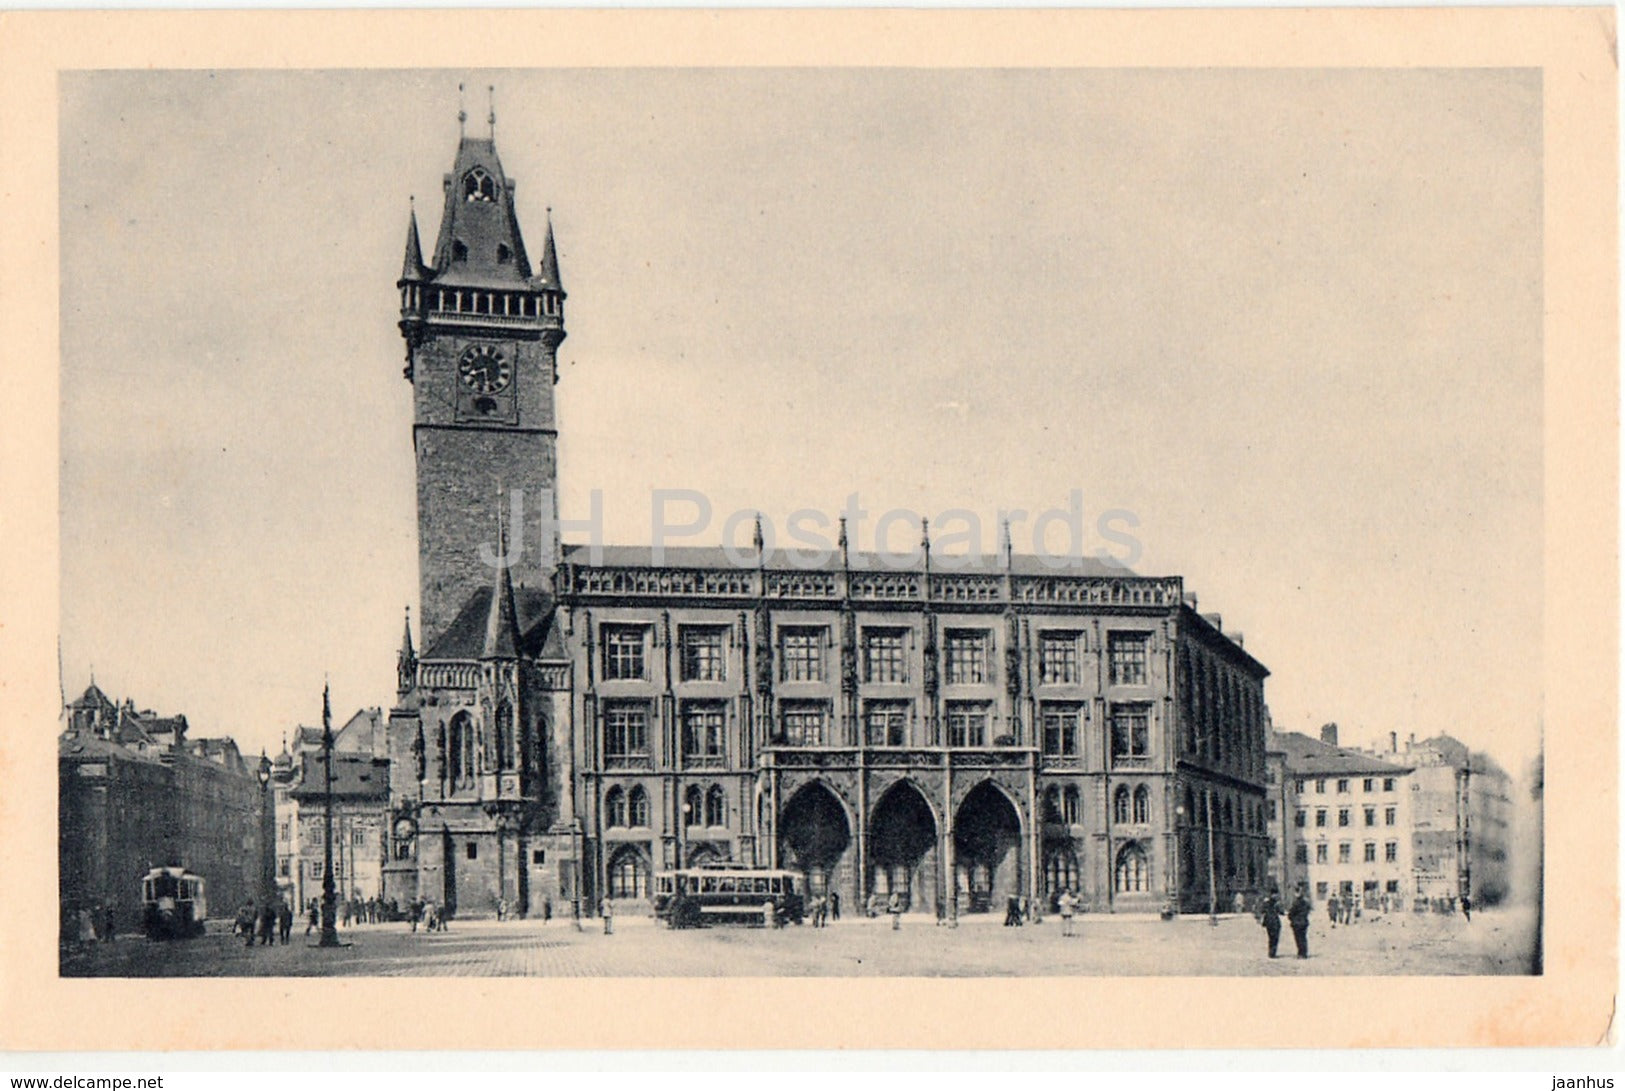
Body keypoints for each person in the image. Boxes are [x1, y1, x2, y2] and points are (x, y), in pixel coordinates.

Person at [1287, 884, 1311, 959]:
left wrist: (1290, 918)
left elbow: (1291, 913)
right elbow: (1308, 910)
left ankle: (1301, 953)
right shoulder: (1306, 902)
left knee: (1298, 938)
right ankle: (1304, 953)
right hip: (1304, 922)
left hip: (1297, 923)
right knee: (1303, 938)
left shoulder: (1296, 903)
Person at [1259, 890, 1283, 958]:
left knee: (1271, 938)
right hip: (1274, 922)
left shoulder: (1266, 902)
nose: (1276, 896)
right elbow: (1281, 912)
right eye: (1275, 894)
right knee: (1275, 938)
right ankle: (1272, 953)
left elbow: (1262, 910)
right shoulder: (1276, 903)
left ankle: (1271, 953)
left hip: (1268, 922)